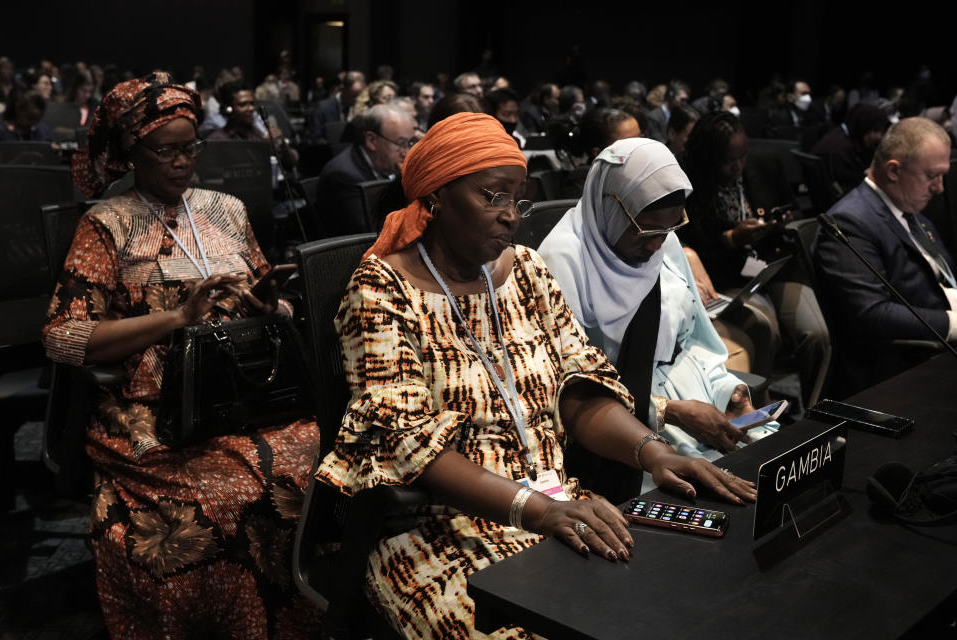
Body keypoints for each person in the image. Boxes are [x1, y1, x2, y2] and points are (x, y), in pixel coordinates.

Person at [315, 112, 756, 640]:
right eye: (491, 197)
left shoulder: (524, 270)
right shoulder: (382, 291)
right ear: (435, 197)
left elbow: (580, 390)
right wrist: (538, 511)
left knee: (659, 602)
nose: (510, 217)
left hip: (554, 501)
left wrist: (655, 452)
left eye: (516, 200)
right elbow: (411, 449)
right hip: (439, 531)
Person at [43, 73, 321, 639]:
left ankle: (306, 618)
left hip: (243, 395)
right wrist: (175, 319)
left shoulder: (226, 211)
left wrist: (273, 305)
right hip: (154, 408)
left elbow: (267, 293)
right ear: (131, 153)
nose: (181, 162)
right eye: (165, 151)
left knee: (315, 458)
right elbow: (62, 337)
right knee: (223, 494)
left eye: (189, 147)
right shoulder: (106, 224)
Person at [538, 138, 776, 463]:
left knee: (775, 460)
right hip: (624, 422)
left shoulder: (665, 241)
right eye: (646, 231)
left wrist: (725, 390)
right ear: (610, 208)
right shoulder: (560, 262)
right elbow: (569, 388)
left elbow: (693, 341)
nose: (656, 247)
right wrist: (667, 411)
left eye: (669, 228)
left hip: (699, 399)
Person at [681, 111, 830, 405]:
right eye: (728, 161)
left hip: (774, 266)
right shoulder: (690, 185)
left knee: (816, 333)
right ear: (709, 159)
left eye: (742, 157)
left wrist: (781, 221)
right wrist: (732, 238)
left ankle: (817, 410)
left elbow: (794, 209)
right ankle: (759, 415)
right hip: (728, 275)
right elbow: (693, 246)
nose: (738, 166)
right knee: (766, 330)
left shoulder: (765, 165)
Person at [813, 117, 954, 393]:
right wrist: (953, 323)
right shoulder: (849, 222)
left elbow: (938, 274)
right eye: (931, 176)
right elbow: (872, 314)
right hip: (903, 365)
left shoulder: (907, 208)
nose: (940, 188)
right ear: (893, 171)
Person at [315, 102, 414, 235]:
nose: (406, 152)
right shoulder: (343, 176)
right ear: (371, 141)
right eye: (401, 143)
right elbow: (372, 232)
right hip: (359, 252)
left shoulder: (385, 164)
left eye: (410, 143)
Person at [207, 80, 298, 168]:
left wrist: (282, 143)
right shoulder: (218, 139)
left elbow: (291, 163)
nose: (250, 108)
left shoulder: (256, 134)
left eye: (252, 103)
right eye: (243, 104)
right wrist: (263, 145)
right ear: (228, 109)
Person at [810, 103, 889, 193]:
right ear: (866, 128)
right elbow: (850, 183)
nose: (879, 137)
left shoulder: (841, 136)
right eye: (878, 130)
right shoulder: (838, 149)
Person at [308, 69, 365, 144]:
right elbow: (315, 138)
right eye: (354, 95)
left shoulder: (362, 108)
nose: (357, 100)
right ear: (342, 89)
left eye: (360, 95)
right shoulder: (323, 107)